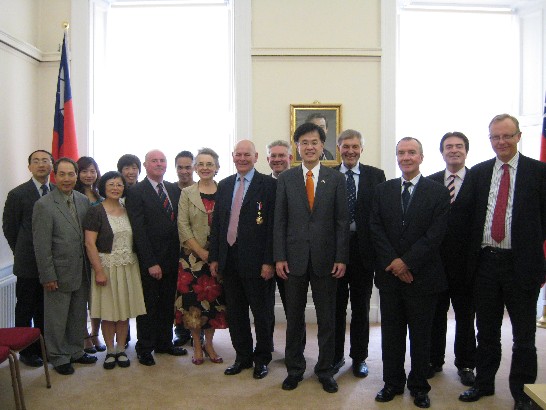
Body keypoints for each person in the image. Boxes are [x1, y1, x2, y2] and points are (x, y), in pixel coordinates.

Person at [458, 114, 546, 410]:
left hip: (522, 265)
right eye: (496, 137)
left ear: (519, 136)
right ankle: (483, 384)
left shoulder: (539, 172)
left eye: (507, 136)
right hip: (486, 264)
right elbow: (467, 219)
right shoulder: (480, 173)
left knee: (524, 335)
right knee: (487, 331)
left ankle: (523, 394)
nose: (501, 142)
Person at [370, 137, 449, 408]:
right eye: (401, 153)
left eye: (411, 152)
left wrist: (407, 263)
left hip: (423, 278)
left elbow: (435, 235)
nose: (406, 157)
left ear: (421, 157)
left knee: (421, 337)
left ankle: (418, 386)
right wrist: (395, 262)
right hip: (391, 277)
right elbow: (376, 229)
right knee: (391, 336)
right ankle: (392, 383)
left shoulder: (437, 192)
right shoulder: (383, 190)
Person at [274, 122, 349, 394]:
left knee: (327, 318)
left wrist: (341, 257)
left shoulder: (336, 179)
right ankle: (295, 368)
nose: (309, 147)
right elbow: (279, 222)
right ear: (297, 147)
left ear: (322, 146)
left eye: (314, 142)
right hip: (292, 260)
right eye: (304, 142)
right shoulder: (285, 179)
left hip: (326, 260)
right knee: (294, 318)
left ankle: (325, 370)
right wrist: (279, 256)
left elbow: (342, 222)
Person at [209, 140, 276, 380]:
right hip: (230, 261)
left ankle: (262, 359)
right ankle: (243, 356)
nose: (242, 158)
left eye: (247, 155)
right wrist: (215, 256)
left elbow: (273, 228)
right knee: (236, 313)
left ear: (256, 156)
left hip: (259, 263)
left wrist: (269, 261)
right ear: (233, 156)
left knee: (262, 314)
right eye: (238, 155)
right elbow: (218, 224)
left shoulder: (268, 185)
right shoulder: (225, 185)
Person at [32, 157, 98, 375]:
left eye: (71, 174)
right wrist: (47, 275)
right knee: (57, 318)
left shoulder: (82, 200)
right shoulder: (44, 205)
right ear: (55, 175)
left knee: (78, 314)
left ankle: (76, 350)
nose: (67, 179)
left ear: (76, 175)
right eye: (62, 174)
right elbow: (41, 245)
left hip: (82, 270)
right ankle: (59, 356)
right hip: (58, 272)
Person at [125, 150, 187, 366]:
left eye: (162, 160)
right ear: (145, 164)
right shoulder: (136, 192)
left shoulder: (172, 189)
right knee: (149, 305)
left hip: (172, 259)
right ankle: (144, 347)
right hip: (150, 261)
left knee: (167, 304)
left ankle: (164, 343)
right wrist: (151, 262)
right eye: (154, 161)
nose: (159, 164)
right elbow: (139, 230)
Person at [332, 129, 385, 378]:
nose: (350, 151)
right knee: (335, 308)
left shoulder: (376, 176)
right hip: (335, 252)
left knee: (361, 308)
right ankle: (335, 356)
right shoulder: (328, 176)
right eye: (346, 146)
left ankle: (359, 358)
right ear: (338, 148)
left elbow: (381, 216)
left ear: (362, 149)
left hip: (364, 252)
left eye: (355, 146)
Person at [83, 171, 147, 369]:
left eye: (119, 184)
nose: (115, 188)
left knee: (124, 311)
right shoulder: (96, 211)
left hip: (128, 266)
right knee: (109, 311)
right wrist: (99, 270)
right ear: (104, 187)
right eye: (111, 184)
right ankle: (110, 350)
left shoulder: (128, 208)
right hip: (106, 267)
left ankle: (121, 348)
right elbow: (89, 244)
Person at [427, 132, 476, 386]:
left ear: (466, 150)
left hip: (467, 263)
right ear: (442, 152)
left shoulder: (478, 181)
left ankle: (466, 363)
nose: (454, 150)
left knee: (465, 316)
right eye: (449, 147)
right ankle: (434, 360)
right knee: (435, 315)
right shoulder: (432, 182)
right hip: (436, 263)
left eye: (459, 146)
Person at [2, 150, 55, 368]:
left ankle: (43, 348)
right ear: (29, 167)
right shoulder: (18, 194)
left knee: (45, 308)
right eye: (36, 161)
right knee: (25, 307)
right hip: (28, 263)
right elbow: (10, 228)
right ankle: (26, 351)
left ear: (52, 165)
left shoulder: (57, 191)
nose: (41, 165)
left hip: (52, 261)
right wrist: (21, 251)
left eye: (45, 161)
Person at [176, 148, 227, 365]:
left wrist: (214, 254)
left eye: (210, 164)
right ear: (196, 168)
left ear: (216, 168)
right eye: (201, 164)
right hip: (192, 260)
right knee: (193, 304)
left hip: (218, 257)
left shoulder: (225, 190)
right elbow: (183, 225)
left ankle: (209, 343)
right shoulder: (187, 193)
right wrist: (201, 251)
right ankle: (196, 344)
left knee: (215, 304)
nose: (205, 168)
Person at [75, 156, 106, 354]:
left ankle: (95, 333)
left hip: (99, 252)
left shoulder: (101, 195)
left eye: (92, 171)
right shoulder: (73, 195)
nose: (89, 175)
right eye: (84, 171)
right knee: (82, 297)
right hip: (80, 252)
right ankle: (84, 335)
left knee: (97, 297)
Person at [116, 153, 141, 347]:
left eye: (134, 168)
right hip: (120, 252)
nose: (131, 172)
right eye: (127, 168)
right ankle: (123, 338)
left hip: (141, 252)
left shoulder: (143, 191)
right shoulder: (115, 193)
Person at [173, 150, 195, 347]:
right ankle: (180, 331)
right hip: (173, 250)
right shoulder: (170, 190)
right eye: (180, 167)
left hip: (196, 251)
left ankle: (200, 332)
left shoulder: (202, 189)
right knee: (178, 294)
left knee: (196, 293)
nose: (184, 171)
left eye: (188, 167)